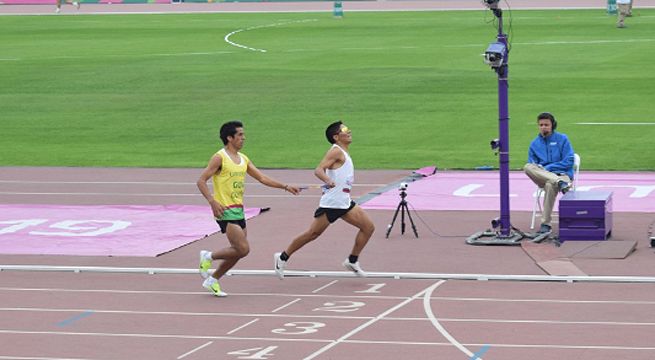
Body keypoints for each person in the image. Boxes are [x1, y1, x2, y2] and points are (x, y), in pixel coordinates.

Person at [197, 120, 300, 297]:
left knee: (237, 252)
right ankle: (208, 256)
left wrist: (285, 186)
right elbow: (201, 181)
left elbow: (262, 178)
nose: (244, 138)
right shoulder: (220, 157)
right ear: (229, 138)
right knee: (243, 249)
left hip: (238, 210)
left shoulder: (243, 159)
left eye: (243, 135)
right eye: (240, 135)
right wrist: (212, 201)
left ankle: (213, 280)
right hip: (225, 210)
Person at [273, 121, 375, 278]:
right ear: (336, 136)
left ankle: (352, 260)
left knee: (368, 227)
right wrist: (327, 180)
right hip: (332, 204)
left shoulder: (343, 152)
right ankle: (282, 257)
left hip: (344, 202)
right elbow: (318, 170)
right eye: (345, 130)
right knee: (312, 234)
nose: (349, 131)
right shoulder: (336, 152)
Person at [523, 112, 575, 234]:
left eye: (546, 124)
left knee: (550, 185)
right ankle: (559, 182)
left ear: (553, 125)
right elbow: (533, 166)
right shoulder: (534, 144)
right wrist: (544, 171)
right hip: (545, 177)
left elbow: (569, 160)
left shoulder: (563, 139)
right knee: (527, 167)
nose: (543, 127)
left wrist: (549, 168)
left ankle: (545, 224)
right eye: (541, 125)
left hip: (563, 175)